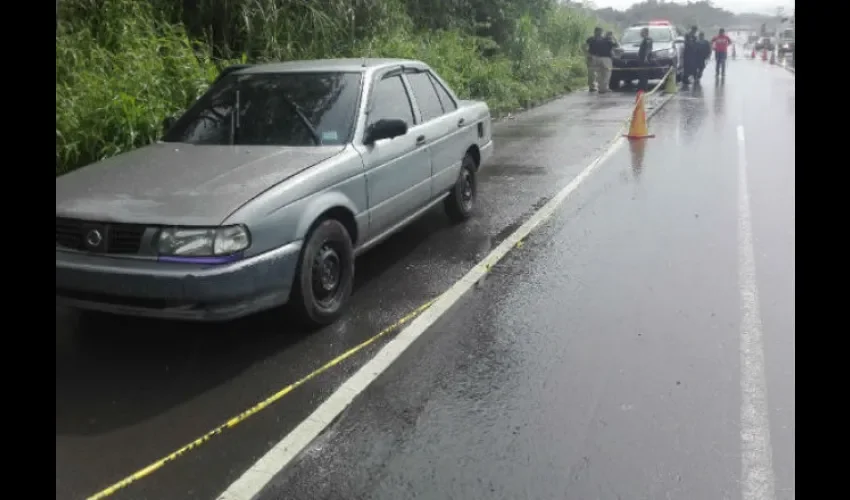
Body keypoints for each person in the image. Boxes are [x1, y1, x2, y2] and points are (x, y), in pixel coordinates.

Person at [587, 27, 617, 94]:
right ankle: (602, 88)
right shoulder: (606, 39)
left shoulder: (592, 39)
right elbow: (616, 45)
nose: (600, 33)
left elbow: (586, 46)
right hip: (604, 58)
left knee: (598, 74)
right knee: (606, 74)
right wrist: (613, 37)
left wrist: (588, 54)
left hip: (595, 57)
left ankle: (597, 87)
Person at [585, 27, 603, 92]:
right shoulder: (590, 39)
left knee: (601, 73)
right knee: (591, 73)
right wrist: (587, 54)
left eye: (601, 32)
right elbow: (584, 46)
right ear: (595, 32)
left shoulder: (603, 39)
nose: (600, 33)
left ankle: (601, 86)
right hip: (592, 56)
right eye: (599, 31)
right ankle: (591, 87)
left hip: (601, 57)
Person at [637, 27, 653, 91]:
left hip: (645, 59)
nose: (640, 33)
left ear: (646, 32)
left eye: (642, 32)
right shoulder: (644, 39)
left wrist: (646, 57)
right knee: (641, 73)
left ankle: (643, 88)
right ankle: (641, 87)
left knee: (644, 74)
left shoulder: (648, 39)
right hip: (642, 59)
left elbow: (648, 49)